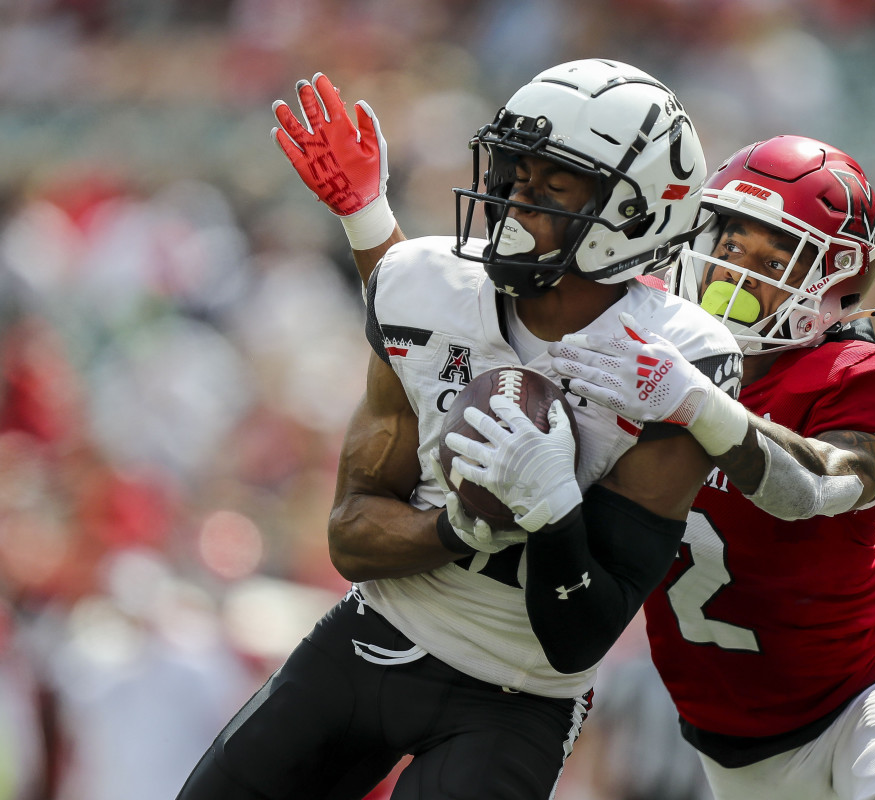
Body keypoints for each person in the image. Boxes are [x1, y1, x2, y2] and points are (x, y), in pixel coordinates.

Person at [176, 60, 743, 800]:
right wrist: (460, 528)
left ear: (632, 213)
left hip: (517, 694)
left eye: (550, 186)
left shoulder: (677, 364)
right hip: (374, 635)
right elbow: (351, 536)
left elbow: (581, 632)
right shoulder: (425, 286)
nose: (512, 201)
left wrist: (550, 508)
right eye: (513, 174)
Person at [548, 135, 875, 800]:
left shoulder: (855, 376)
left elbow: (818, 485)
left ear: (835, 284)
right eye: (732, 248)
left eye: (777, 259)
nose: (738, 275)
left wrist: (700, 406)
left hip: (873, 691)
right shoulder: (642, 345)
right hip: (735, 751)